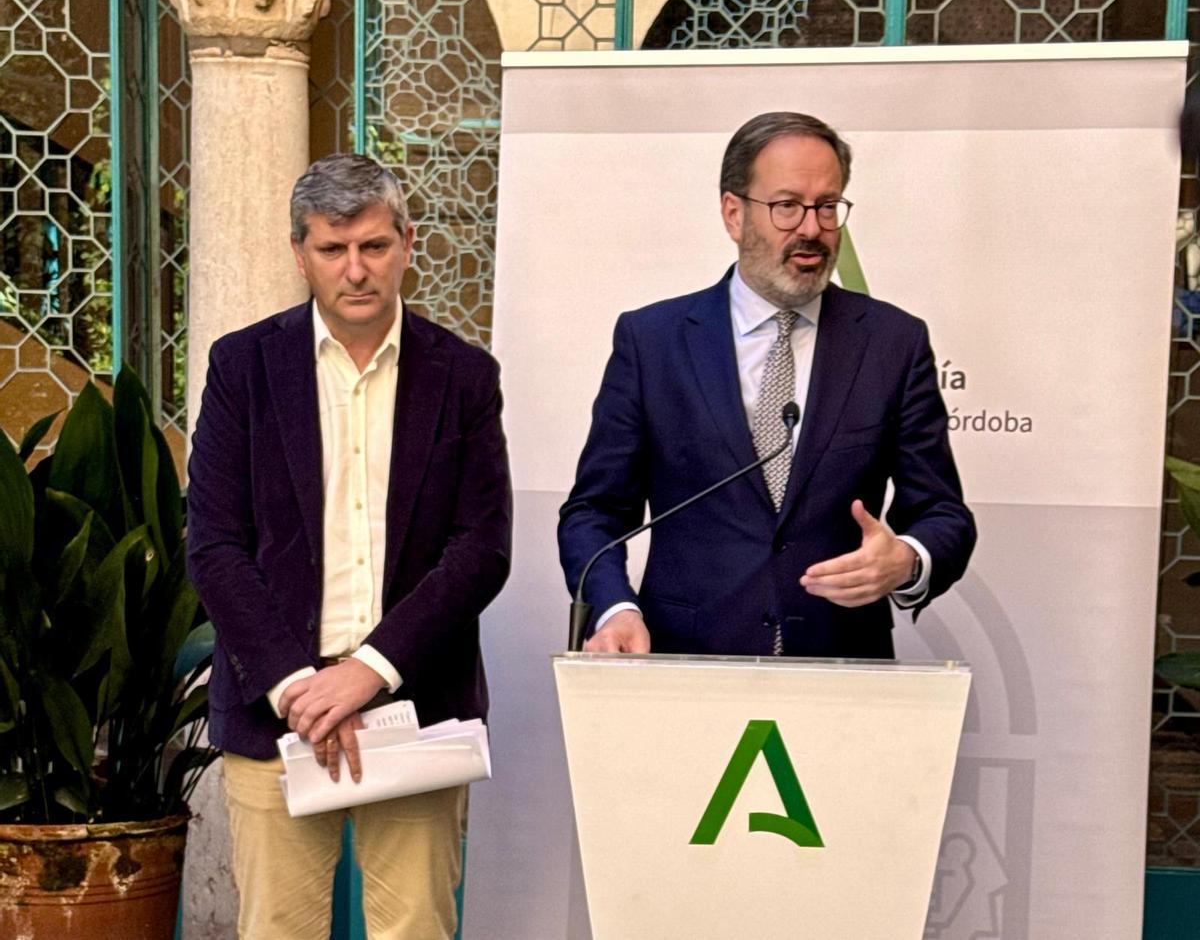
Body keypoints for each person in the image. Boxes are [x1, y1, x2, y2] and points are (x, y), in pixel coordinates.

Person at [187, 153, 512, 939]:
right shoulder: (244, 367)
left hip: (415, 704)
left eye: (373, 246)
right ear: (300, 254)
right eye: (333, 250)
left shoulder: (465, 376)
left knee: (417, 930)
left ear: (407, 242)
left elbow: (481, 547)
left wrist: (367, 672)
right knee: (278, 930)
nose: (355, 270)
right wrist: (299, 686)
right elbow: (215, 543)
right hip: (279, 715)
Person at [558, 112, 974, 659]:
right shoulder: (653, 342)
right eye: (787, 206)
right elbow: (594, 513)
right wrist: (616, 608)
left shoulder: (891, 342)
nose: (811, 228)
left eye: (827, 206)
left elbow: (943, 514)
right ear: (734, 214)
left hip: (842, 665)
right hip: (685, 661)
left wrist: (908, 559)